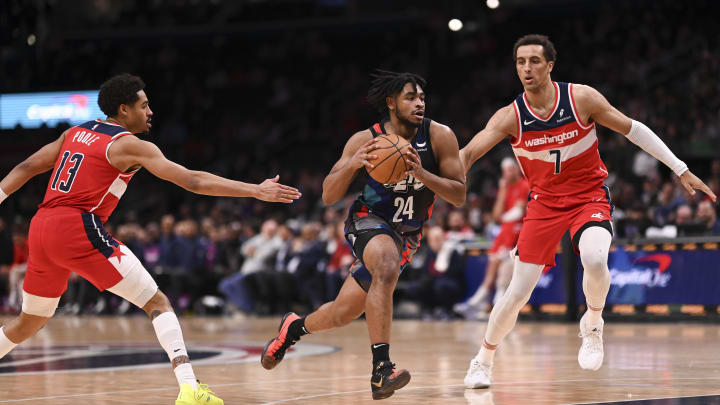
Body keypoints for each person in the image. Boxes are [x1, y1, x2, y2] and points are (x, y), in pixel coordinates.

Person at [0, 73, 301, 405]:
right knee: (157, 303)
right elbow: (193, 181)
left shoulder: (75, 132)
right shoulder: (129, 144)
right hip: (76, 226)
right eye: (144, 105)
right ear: (124, 109)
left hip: (40, 227)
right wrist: (254, 190)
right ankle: (190, 389)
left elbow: (27, 166)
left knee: (30, 321)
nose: (150, 111)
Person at [458, 35, 716, 389]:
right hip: (544, 204)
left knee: (595, 258)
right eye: (520, 62)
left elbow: (633, 129)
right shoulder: (510, 117)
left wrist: (680, 168)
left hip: (587, 196)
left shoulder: (581, 98)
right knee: (517, 292)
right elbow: (468, 154)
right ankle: (483, 359)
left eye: (534, 60)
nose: (527, 68)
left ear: (550, 65)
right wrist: (433, 174)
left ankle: (593, 323)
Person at [260, 70, 466, 400]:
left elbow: (458, 195)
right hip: (367, 220)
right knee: (385, 264)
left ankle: (293, 329)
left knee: (343, 313)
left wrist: (422, 173)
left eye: (422, 97)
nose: (419, 103)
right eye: (410, 97)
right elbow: (328, 194)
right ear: (391, 103)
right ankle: (382, 370)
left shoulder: (440, 136)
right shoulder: (364, 139)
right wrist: (353, 164)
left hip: (407, 234)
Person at [454, 157, 529, 319]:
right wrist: (502, 190)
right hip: (506, 236)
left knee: (502, 269)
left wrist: (502, 218)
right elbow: (496, 216)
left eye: (511, 169)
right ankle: (488, 301)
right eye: (506, 171)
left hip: (520, 234)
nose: (509, 173)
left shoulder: (524, 185)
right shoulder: (505, 187)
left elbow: (516, 213)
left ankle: (484, 300)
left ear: (516, 169)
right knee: (497, 265)